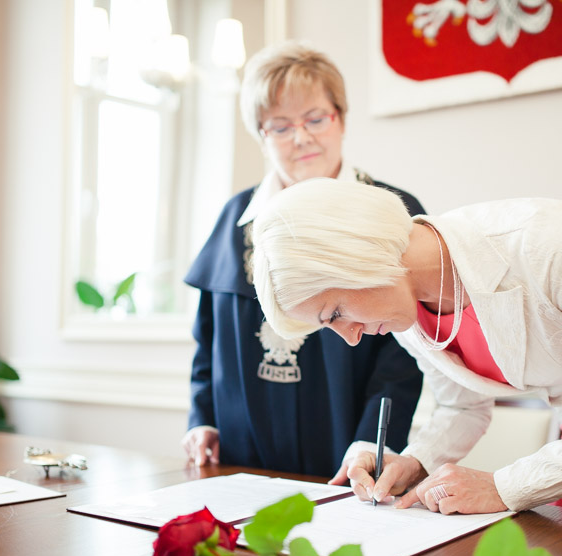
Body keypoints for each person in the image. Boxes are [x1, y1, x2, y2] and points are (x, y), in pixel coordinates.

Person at [250, 177, 562, 529]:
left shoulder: (550, 244)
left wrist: (502, 486)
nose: (351, 336)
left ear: (360, 257)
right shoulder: (401, 304)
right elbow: (461, 407)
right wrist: (415, 461)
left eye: (335, 312)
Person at [181, 42, 425, 481]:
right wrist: (203, 418)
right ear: (261, 135)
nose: (301, 137)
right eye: (280, 126)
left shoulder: (393, 209)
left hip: (350, 452)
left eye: (315, 118)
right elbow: (207, 339)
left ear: (341, 119)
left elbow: (407, 354)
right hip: (240, 456)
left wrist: (373, 442)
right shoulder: (235, 217)